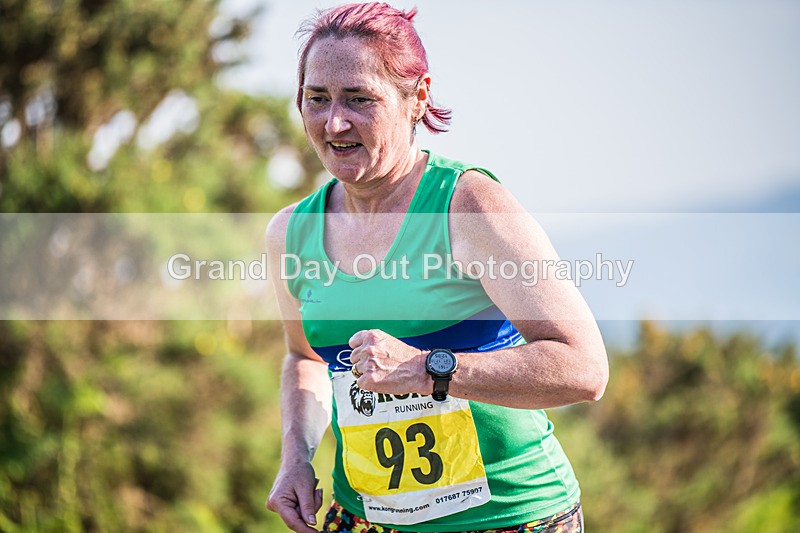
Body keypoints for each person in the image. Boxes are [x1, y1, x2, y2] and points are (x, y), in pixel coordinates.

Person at [265, 3, 608, 532]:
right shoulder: (290, 232)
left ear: (417, 97)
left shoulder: (468, 206)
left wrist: (423, 369)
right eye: (317, 99)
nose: (334, 122)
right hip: (362, 519)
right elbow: (306, 358)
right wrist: (295, 455)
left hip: (509, 519)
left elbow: (583, 369)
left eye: (359, 98)